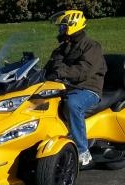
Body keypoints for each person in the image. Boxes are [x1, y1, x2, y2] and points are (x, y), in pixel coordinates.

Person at [44, 10, 107, 166]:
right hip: (68, 86)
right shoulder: (63, 47)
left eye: (63, 27)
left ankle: (83, 151)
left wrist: (60, 71)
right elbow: (51, 65)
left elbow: (84, 70)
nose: (60, 31)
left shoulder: (91, 46)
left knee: (73, 104)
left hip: (88, 88)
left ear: (73, 26)